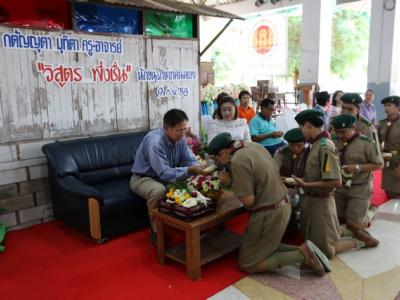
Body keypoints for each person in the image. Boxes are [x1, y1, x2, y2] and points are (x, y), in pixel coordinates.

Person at [208, 132, 330, 276]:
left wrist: (224, 188)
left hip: (269, 213)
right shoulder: (252, 145)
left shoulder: (237, 161)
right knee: (264, 246)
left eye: (216, 158)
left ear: (223, 153)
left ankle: (302, 256)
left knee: (248, 263)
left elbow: (248, 200)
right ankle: (304, 250)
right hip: (283, 204)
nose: (217, 162)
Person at [293, 109, 379, 258]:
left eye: (301, 127)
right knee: (312, 240)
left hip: (321, 202)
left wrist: (306, 185)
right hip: (311, 199)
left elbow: (335, 181)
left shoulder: (325, 147)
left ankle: (359, 241)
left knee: (326, 251)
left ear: (307, 125)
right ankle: (352, 230)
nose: (300, 131)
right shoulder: (314, 144)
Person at [130, 109, 211, 242]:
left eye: (185, 129)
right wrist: (189, 170)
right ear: (167, 128)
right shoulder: (155, 142)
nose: (183, 133)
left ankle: (197, 226)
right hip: (144, 178)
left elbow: (188, 160)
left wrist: (196, 167)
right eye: (179, 130)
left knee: (197, 182)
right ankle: (157, 232)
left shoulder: (181, 138)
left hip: (168, 175)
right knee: (158, 191)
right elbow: (163, 172)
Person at [331, 114, 383, 234]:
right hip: (340, 187)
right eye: (337, 132)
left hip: (360, 188)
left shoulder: (367, 143)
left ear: (353, 127)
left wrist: (357, 167)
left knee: (354, 224)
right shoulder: (334, 141)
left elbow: (379, 164)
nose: (339, 135)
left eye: (343, 132)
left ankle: (371, 212)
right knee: (336, 218)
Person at [273, 128, 307, 236]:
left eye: (299, 145)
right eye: (292, 145)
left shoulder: (309, 153)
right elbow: (274, 171)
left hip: (304, 186)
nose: (295, 148)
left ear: (304, 143)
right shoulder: (281, 152)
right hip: (283, 187)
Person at [378, 96, 400, 198]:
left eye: (389, 106)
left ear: (398, 107)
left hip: (398, 161)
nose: (386, 108)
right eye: (385, 106)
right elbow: (377, 142)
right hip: (387, 160)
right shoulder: (382, 124)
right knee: (389, 190)